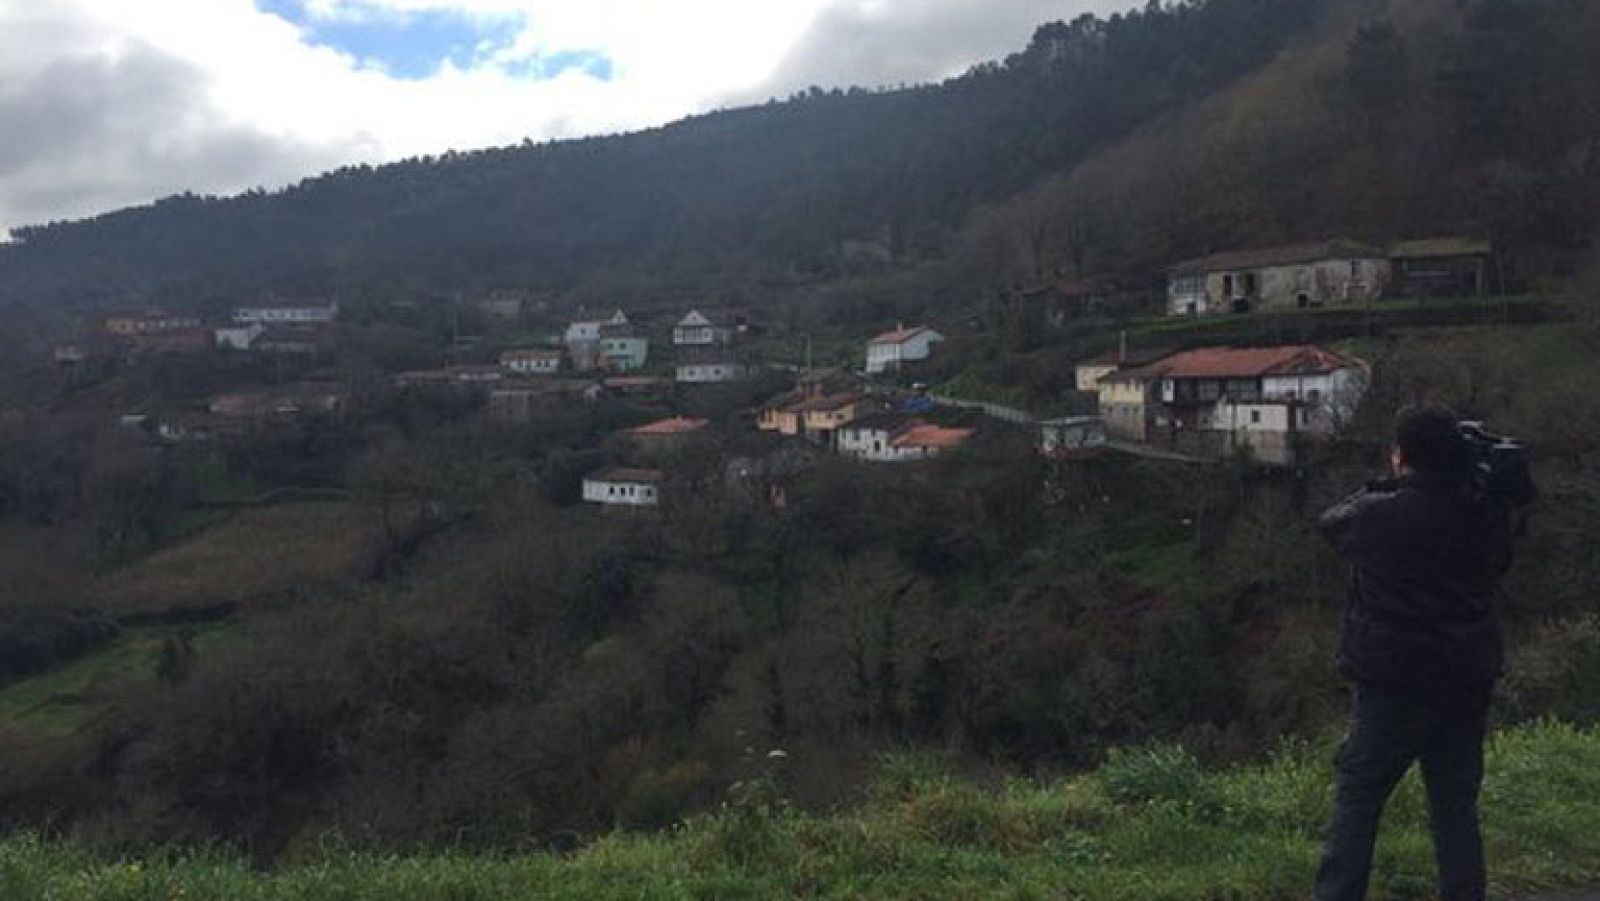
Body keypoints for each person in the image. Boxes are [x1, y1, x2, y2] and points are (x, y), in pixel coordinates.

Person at [1313, 406, 1523, 901]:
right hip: (1467, 675)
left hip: (1393, 682)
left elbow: (1331, 522)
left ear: (1402, 456)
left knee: (1360, 796)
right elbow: (1502, 561)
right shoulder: (1485, 513)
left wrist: (1387, 485)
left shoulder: (1377, 515)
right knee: (1455, 804)